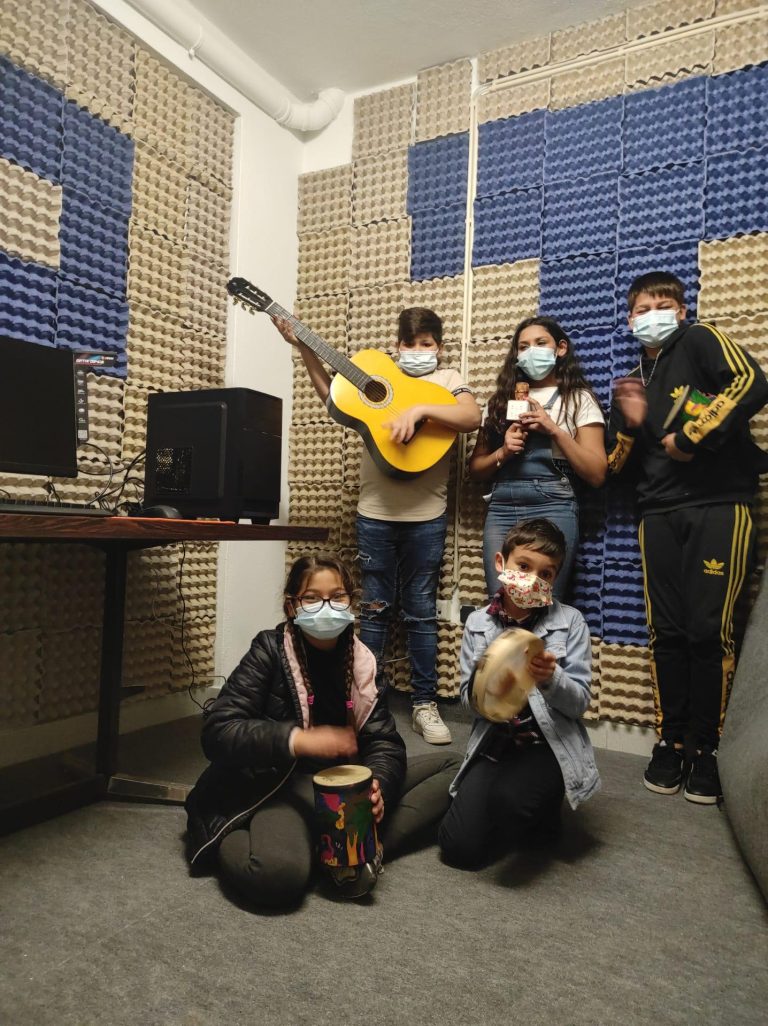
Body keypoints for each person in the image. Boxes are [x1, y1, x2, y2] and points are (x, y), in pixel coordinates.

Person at [184, 554, 459, 909]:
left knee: (454, 767)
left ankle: (336, 847)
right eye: (312, 598)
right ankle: (342, 849)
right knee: (276, 876)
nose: (326, 607)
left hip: (344, 787)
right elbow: (218, 732)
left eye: (338, 596)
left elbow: (384, 742)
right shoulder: (269, 649)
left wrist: (379, 787)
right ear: (291, 606)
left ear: (351, 602)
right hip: (281, 786)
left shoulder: (363, 661)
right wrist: (296, 740)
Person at [273, 307, 481, 745]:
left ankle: (424, 704)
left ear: (439, 347)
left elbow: (470, 417)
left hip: (427, 515)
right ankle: (367, 701)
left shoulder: (447, 380)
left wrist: (419, 409)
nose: (417, 350)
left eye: (426, 344)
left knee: (421, 611)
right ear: (397, 345)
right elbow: (335, 400)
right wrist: (304, 349)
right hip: (374, 514)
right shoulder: (378, 376)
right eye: (410, 343)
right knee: (374, 609)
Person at [607, 271, 768, 804]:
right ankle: (670, 740)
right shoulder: (633, 380)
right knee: (667, 632)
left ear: (681, 310)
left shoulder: (699, 338)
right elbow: (614, 468)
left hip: (719, 504)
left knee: (708, 630)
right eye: (640, 308)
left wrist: (692, 436)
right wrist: (631, 426)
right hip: (656, 512)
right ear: (629, 319)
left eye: (663, 304)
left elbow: (752, 382)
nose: (650, 315)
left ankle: (709, 748)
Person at [438, 519, 599, 868]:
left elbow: (579, 703)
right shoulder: (478, 623)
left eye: (546, 573)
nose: (532, 579)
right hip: (495, 740)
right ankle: (509, 804)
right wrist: (491, 682)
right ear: (501, 563)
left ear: (554, 579)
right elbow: (467, 700)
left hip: (547, 743)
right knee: (458, 849)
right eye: (523, 566)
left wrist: (551, 679)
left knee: (513, 808)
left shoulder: (571, 622)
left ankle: (540, 805)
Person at [468, 316, 606, 600]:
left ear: (560, 348)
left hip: (554, 505)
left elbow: (596, 473)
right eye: (524, 346)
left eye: (541, 343)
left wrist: (553, 430)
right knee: (503, 602)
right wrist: (503, 452)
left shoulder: (578, 399)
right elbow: (476, 470)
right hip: (502, 508)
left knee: (541, 602)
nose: (532, 351)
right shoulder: (499, 402)